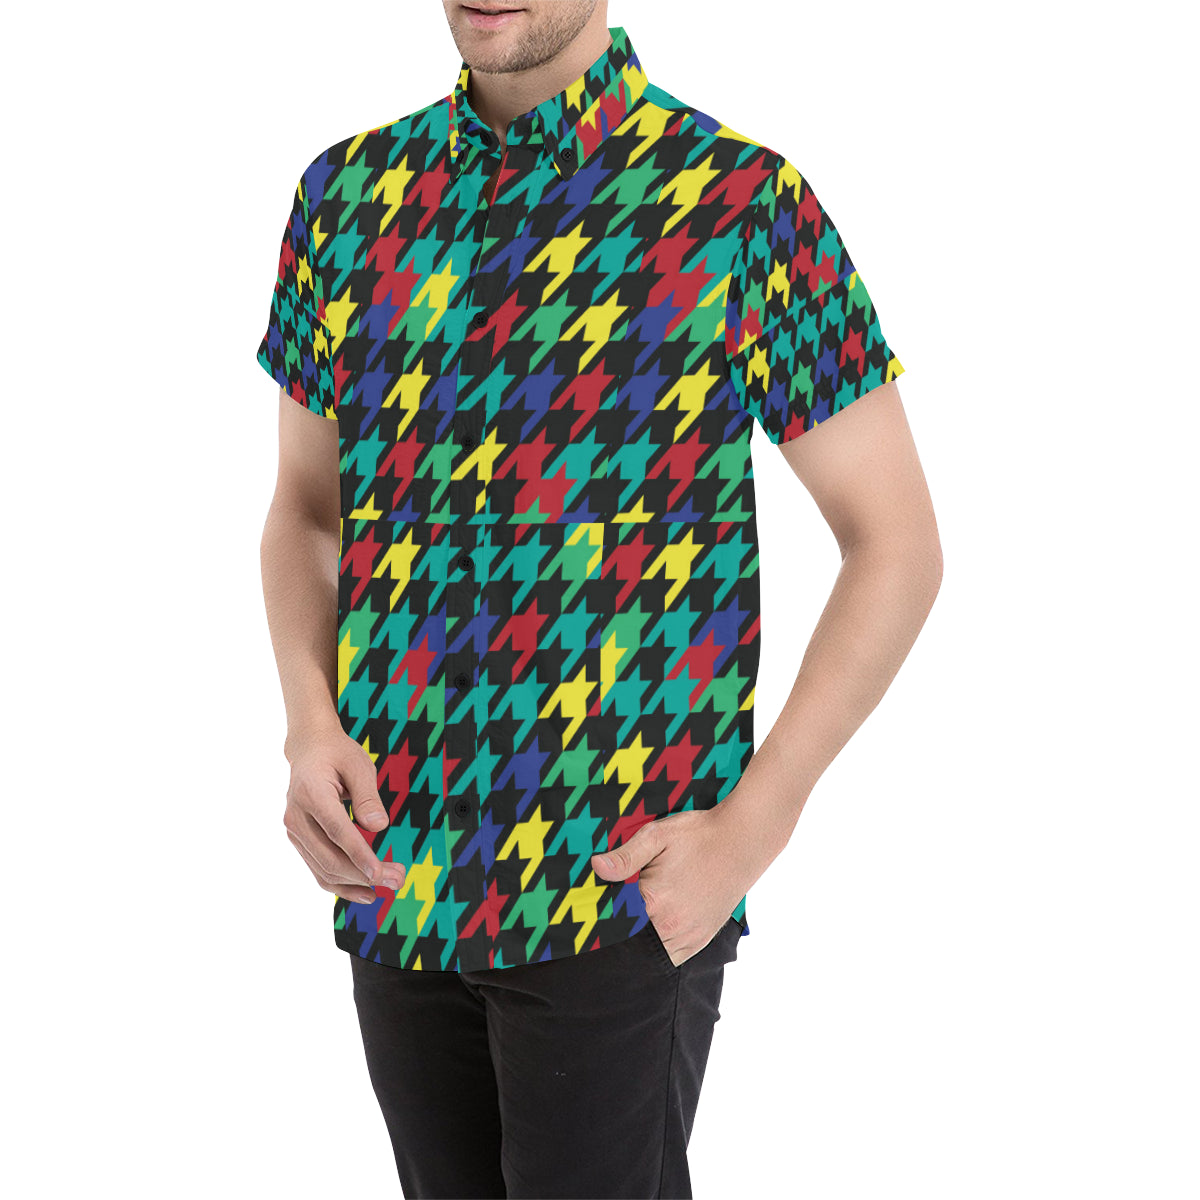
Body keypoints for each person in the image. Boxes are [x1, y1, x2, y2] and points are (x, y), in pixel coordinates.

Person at [255, 2, 941, 1196]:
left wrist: (756, 824)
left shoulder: (739, 203)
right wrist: (310, 723)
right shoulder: (348, 196)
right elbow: (311, 511)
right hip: (394, 876)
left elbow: (896, 543)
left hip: (618, 885)